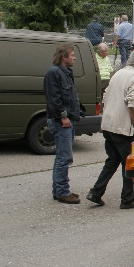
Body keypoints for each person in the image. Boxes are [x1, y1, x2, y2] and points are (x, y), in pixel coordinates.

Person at [86, 48, 134, 209]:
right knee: (130, 162)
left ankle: (96, 192)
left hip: (108, 125)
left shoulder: (119, 74)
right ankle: (127, 198)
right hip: (123, 128)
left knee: (112, 160)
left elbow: (106, 96)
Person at [43, 43, 83, 204]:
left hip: (69, 120)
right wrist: (63, 117)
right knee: (64, 157)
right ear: (63, 57)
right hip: (62, 122)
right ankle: (62, 192)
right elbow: (54, 99)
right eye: (72, 55)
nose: (74, 58)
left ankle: (59, 190)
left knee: (63, 156)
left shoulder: (66, 73)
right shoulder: (54, 73)